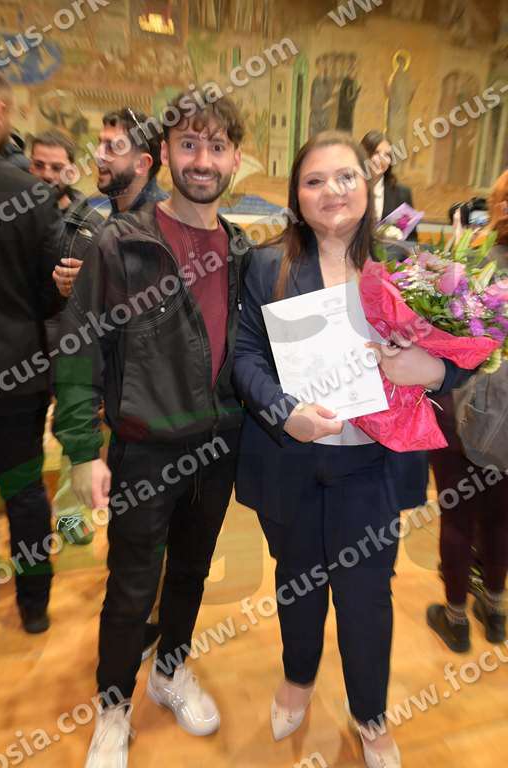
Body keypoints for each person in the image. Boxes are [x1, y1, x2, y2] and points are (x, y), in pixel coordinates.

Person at [233, 131, 471, 768]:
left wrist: (434, 371)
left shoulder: (406, 265)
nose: (332, 191)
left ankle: (370, 715)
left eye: (345, 177)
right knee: (297, 580)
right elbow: (245, 356)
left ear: (368, 187)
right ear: (296, 195)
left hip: (373, 463)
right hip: (293, 457)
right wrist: (284, 412)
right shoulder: (267, 265)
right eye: (314, 181)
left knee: (366, 594)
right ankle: (298, 679)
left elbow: (463, 349)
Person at [54, 92, 250, 767]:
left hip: (217, 447)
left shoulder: (242, 249)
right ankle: (112, 709)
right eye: (189, 144)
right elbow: (78, 348)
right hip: (143, 448)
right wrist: (84, 450)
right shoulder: (122, 242)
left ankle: (170, 671)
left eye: (217, 146)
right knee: (131, 587)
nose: (203, 160)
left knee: (191, 572)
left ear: (236, 158)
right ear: (164, 152)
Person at [51, 107, 167, 655]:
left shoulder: (161, 226)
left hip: (155, 423)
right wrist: (82, 289)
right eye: (98, 143)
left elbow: (162, 325)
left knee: (148, 546)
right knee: (132, 544)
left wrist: (100, 289)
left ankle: (149, 627)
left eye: (112, 147)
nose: (98, 155)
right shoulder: (105, 220)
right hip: (121, 411)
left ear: (143, 162)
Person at [427, 170, 508, 652]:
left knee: (457, 517)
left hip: (465, 407)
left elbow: (444, 334)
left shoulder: (475, 261)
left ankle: (456, 620)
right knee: (501, 517)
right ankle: (495, 611)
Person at [0, 73, 63, 634]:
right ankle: (34, 604)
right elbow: (50, 295)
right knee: (23, 492)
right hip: (17, 373)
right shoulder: (33, 196)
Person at [29, 130, 105, 547]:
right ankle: (26, 512)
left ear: (72, 170)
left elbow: (107, 291)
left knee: (72, 430)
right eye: (38, 165)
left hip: (71, 344)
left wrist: (84, 282)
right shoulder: (11, 213)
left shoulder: (92, 225)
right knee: (21, 434)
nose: (47, 174)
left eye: (57, 167)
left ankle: (68, 516)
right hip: (20, 343)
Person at [362, 128, 427, 512]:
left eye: (388, 155)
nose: (383, 161)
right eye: (377, 154)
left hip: (395, 282)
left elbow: (412, 242)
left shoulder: (400, 193)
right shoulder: (353, 188)